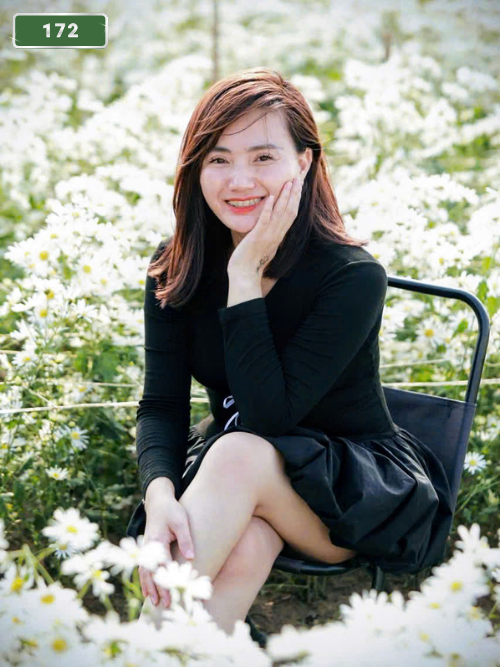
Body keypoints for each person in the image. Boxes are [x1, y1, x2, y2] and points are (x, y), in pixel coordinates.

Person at [126, 67, 453, 636]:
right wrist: (159, 496)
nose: (239, 180)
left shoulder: (352, 276)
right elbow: (161, 405)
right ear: (195, 168)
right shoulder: (177, 264)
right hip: (243, 476)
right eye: (219, 158)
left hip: (346, 492)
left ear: (304, 162)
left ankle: (128, 648)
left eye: (263, 157)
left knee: (238, 452)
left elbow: (268, 419)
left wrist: (245, 274)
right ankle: (173, 650)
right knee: (244, 547)